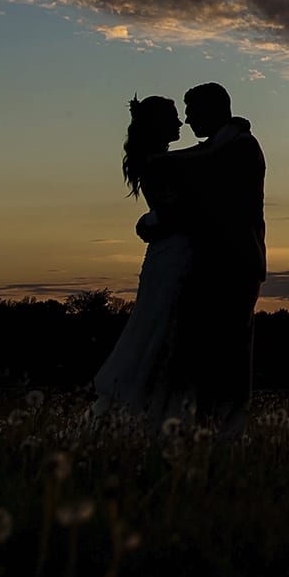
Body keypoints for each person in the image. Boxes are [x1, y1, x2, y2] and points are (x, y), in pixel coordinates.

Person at [133, 82, 266, 428]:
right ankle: (205, 423)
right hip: (212, 263)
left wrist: (150, 220)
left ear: (212, 110)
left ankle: (223, 425)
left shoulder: (238, 146)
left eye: (192, 112)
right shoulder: (222, 144)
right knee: (204, 351)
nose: (188, 121)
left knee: (227, 351)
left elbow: (200, 168)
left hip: (234, 262)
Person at [90, 96, 199, 421]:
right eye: (174, 118)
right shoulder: (160, 163)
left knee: (160, 328)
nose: (181, 124)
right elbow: (177, 212)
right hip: (173, 257)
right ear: (157, 125)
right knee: (161, 329)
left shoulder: (159, 161)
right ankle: (152, 412)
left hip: (167, 254)